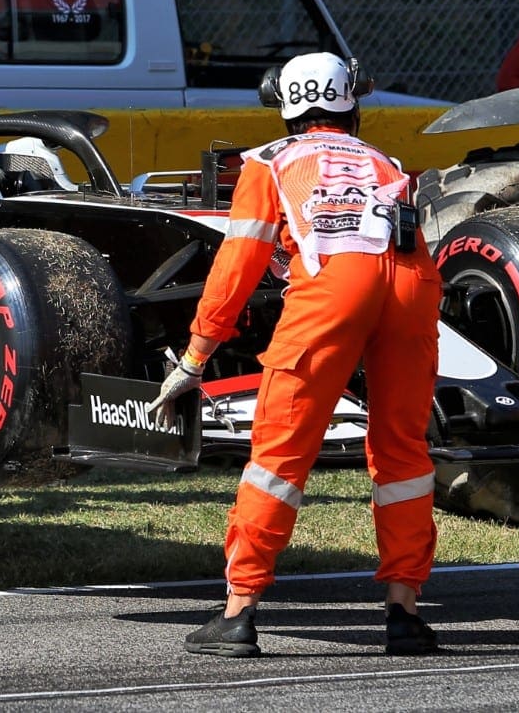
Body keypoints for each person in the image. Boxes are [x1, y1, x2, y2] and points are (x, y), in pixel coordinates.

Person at [150, 52, 442, 658]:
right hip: (414, 286)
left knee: (278, 456)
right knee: (403, 452)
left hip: (334, 289)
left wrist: (195, 357)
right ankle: (405, 611)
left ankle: (238, 612)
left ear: (285, 109)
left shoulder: (270, 162)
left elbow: (235, 270)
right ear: (350, 106)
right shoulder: (386, 161)